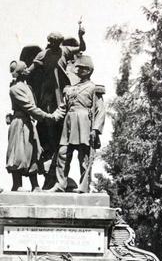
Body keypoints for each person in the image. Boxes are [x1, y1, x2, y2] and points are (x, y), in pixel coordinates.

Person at [23, 27, 86, 180]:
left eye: (58, 43)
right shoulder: (43, 54)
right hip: (48, 93)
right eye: (54, 43)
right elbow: (31, 69)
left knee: (63, 121)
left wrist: (80, 35)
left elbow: (82, 48)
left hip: (63, 89)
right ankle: (50, 150)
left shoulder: (64, 50)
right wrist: (22, 74)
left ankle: (60, 153)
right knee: (49, 121)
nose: (57, 45)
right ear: (50, 42)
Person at [6, 60, 64, 191]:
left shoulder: (28, 87)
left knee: (33, 152)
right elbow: (30, 107)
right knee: (18, 152)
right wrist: (47, 116)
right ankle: (17, 184)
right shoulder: (15, 89)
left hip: (29, 122)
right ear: (20, 72)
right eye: (25, 68)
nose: (28, 70)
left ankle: (35, 185)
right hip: (19, 123)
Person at [52, 55, 105, 192]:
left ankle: (84, 186)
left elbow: (100, 111)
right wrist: (51, 117)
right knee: (63, 154)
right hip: (68, 124)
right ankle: (60, 184)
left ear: (89, 70)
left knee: (84, 157)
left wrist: (95, 129)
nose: (79, 70)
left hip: (84, 125)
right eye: (78, 67)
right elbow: (62, 108)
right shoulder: (70, 89)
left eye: (82, 68)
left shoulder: (94, 88)